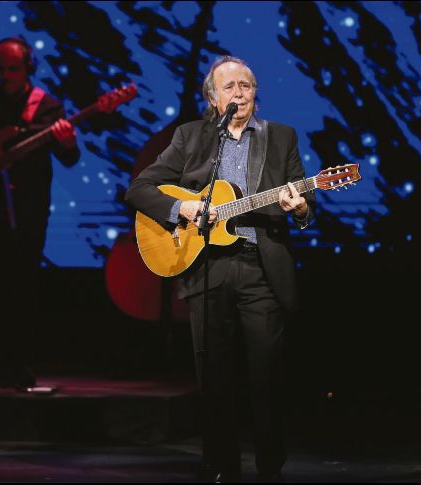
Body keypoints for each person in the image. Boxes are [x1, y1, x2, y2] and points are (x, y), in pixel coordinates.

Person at [125, 56, 315, 481]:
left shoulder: (280, 137)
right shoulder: (191, 137)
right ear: (213, 97)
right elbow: (139, 189)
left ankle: (270, 468)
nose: (239, 94)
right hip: (206, 267)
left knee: (266, 377)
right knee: (214, 379)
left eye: (246, 86)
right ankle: (221, 467)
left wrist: (300, 205)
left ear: (256, 94)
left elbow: (304, 206)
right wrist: (182, 207)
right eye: (229, 87)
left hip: (259, 268)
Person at [0, 37, 81, 388]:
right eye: (1, 68)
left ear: (28, 69)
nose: (6, 75)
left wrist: (67, 142)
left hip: (29, 207)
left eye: (13, 69)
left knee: (22, 283)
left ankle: (19, 361)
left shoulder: (47, 107)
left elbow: (69, 157)